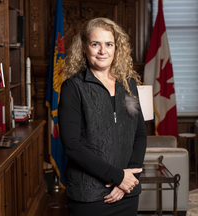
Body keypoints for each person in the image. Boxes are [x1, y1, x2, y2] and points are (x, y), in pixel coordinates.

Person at [58, 17, 147, 216]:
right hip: (89, 195)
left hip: (127, 193)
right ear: (84, 47)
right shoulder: (73, 88)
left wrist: (128, 179)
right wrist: (117, 176)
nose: (102, 51)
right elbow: (72, 145)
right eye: (95, 44)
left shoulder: (128, 86)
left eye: (109, 44)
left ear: (117, 48)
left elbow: (139, 132)